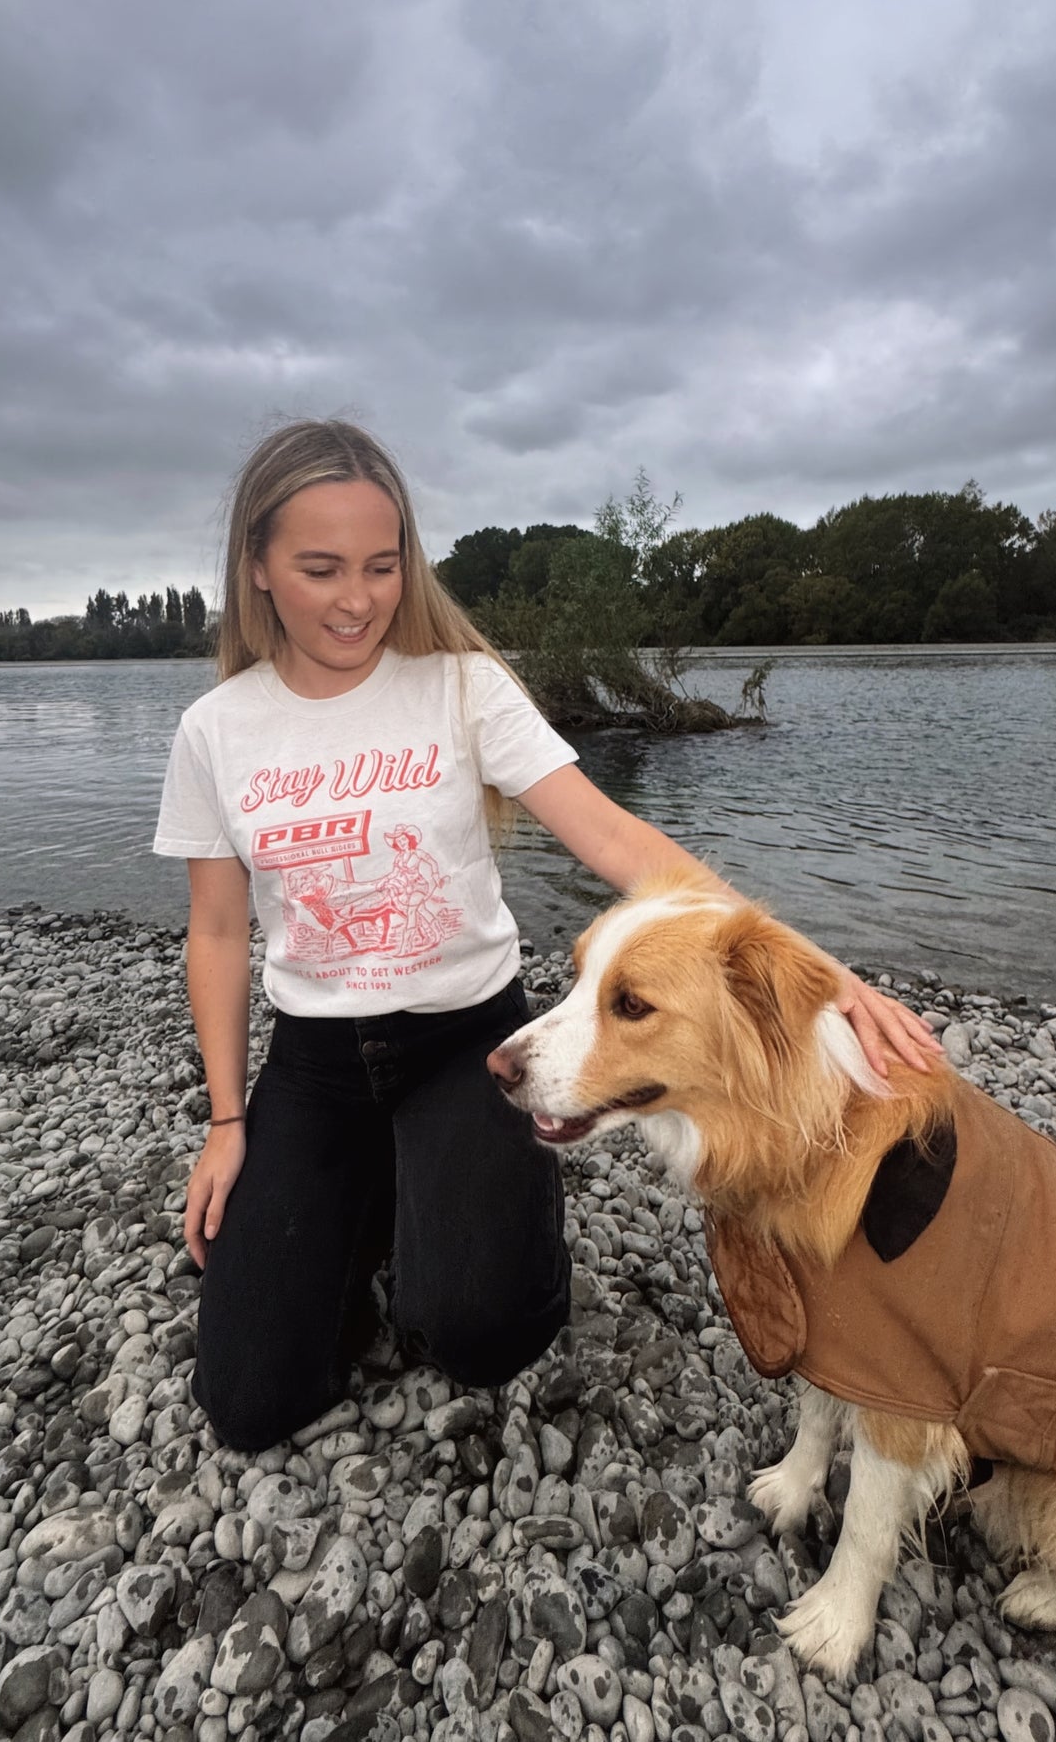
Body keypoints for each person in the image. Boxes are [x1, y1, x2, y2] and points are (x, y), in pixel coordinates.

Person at [153, 418, 943, 1452]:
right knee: (250, 1400)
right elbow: (215, 933)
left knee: (479, 1333)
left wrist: (821, 975)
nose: (357, 598)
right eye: (320, 568)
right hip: (314, 1063)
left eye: (382, 566)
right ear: (256, 567)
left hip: (462, 1044)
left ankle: (472, 1202)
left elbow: (617, 838)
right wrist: (227, 1124)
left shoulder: (459, 686)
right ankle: (378, 1192)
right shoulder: (217, 728)